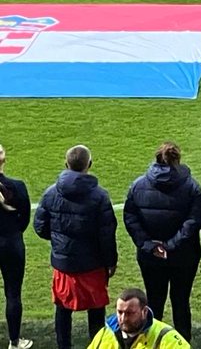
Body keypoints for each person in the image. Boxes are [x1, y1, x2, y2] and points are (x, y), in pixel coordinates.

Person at [34, 145, 119, 349]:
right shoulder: (100, 196)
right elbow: (107, 234)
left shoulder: (51, 193)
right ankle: (97, 346)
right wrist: (111, 262)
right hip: (93, 265)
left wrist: (59, 242)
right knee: (96, 311)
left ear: (66, 164)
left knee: (62, 309)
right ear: (89, 165)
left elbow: (39, 226)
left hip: (64, 264)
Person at [122, 143, 201, 342]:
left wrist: (150, 246)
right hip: (183, 256)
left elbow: (131, 219)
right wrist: (171, 245)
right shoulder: (191, 186)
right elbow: (193, 222)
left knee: (154, 302)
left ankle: (151, 344)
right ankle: (182, 344)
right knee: (181, 302)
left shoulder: (138, 185)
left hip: (151, 257)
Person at [83, 287, 189, 349]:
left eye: (130, 313)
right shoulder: (105, 333)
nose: (123, 318)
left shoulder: (166, 337)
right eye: (120, 312)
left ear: (144, 311)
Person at [0, 145, 32, 349]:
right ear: (3, 159)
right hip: (11, 244)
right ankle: (14, 341)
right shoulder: (17, 187)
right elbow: (25, 218)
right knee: (13, 293)